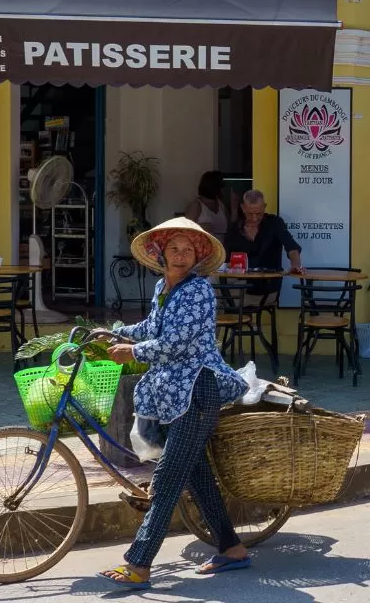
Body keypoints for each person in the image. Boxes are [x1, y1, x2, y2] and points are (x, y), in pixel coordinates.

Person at [100, 217, 251, 584]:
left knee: (167, 477)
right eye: (174, 248)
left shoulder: (198, 290)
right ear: (160, 252)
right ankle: (232, 549)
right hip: (173, 394)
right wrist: (112, 332)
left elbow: (177, 343)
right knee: (195, 474)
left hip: (198, 390)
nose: (181, 255)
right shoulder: (163, 288)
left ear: (197, 255)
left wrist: (132, 351)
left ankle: (139, 564)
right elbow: (153, 328)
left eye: (188, 250)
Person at [223, 190, 304, 302]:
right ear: (242, 208)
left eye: (259, 213)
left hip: (267, 287)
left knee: (230, 302)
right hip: (241, 284)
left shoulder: (274, 223)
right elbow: (226, 259)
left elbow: (292, 247)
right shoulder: (234, 229)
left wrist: (296, 266)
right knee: (219, 291)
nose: (255, 218)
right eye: (250, 214)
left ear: (265, 207)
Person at [182, 171, 231, 237]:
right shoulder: (197, 205)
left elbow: (231, 228)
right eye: (222, 185)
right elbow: (184, 230)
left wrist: (234, 209)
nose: (224, 188)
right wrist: (200, 227)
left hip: (222, 246)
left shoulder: (221, 205)